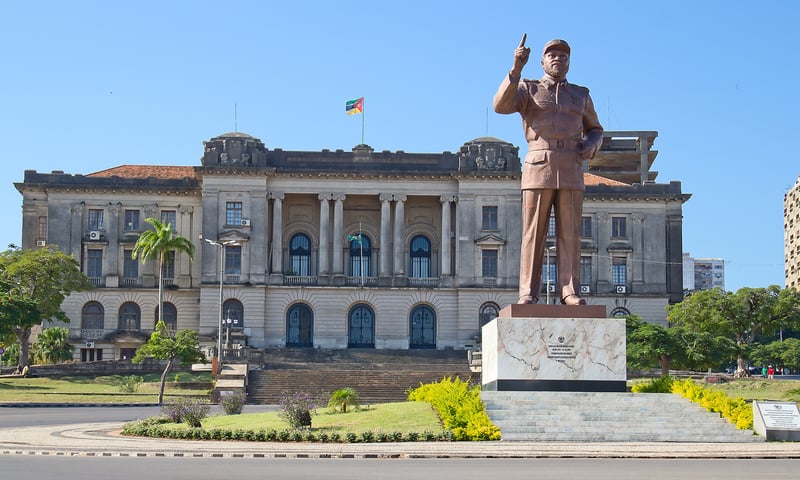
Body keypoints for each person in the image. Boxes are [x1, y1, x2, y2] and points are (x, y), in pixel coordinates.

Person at [494, 35, 603, 305]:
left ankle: (569, 290)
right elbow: (500, 106)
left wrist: (592, 143)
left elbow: (595, 129)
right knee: (533, 233)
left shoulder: (581, 95)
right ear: (542, 62)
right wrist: (516, 68)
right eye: (552, 55)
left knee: (571, 234)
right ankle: (528, 292)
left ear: (569, 62)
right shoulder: (528, 88)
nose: (558, 59)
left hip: (571, 166)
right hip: (538, 164)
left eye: (563, 56)